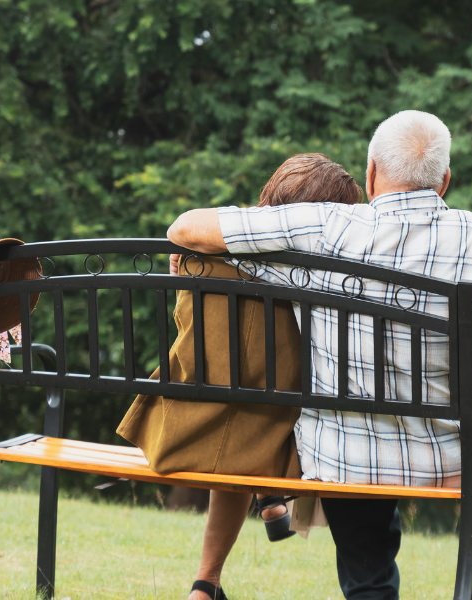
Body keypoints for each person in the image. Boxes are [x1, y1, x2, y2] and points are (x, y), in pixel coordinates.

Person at [167, 110, 472, 600]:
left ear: (370, 173)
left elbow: (188, 226)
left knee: (354, 457)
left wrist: (189, 246)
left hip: (341, 460)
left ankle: (370, 590)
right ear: (445, 181)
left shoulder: (323, 227)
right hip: (450, 456)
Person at [116, 153, 364, 600]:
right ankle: (268, 499)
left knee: (236, 409)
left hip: (181, 430)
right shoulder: (321, 277)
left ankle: (205, 585)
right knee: (261, 410)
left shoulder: (199, 257)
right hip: (270, 443)